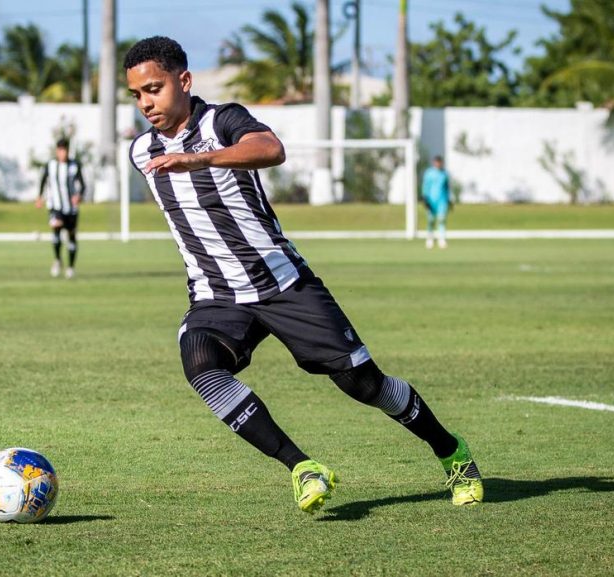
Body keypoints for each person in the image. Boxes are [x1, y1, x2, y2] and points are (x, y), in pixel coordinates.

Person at [124, 36, 483, 514]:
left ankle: (450, 451)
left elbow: (270, 148)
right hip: (216, 294)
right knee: (201, 363)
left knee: (364, 385)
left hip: (282, 282)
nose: (146, 103)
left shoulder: (222, 121)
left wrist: (199, 158)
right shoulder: (141, 151)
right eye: (137, 95)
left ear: (184, 81)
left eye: (154, 88)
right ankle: (302, 467)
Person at [36, 139, 85, 278]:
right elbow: (43, 180)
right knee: (56, 231)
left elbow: (83, 184)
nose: (63, 153)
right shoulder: (50, 165)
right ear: (57, 151)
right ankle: (57, 260)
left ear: (68, 151)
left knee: (71, 237)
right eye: (60, 150)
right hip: (55, 206)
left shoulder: (75, 165)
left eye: (65, 150)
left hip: (71, 209)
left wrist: (79, 196)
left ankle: (70, 267)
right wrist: (39, 197)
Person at [421, 156, 453, 249]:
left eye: (440, 162)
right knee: (431, 220)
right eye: (437, 162)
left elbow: (447, 187)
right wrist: (424, 198)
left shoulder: (445, 174)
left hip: (442, 200)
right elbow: (425, 186)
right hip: (431, 200)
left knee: (441, 219)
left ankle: (441, 239)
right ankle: (430, 238)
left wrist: (449, 199)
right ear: (434, 162)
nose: (438, 164)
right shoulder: (429, 173)